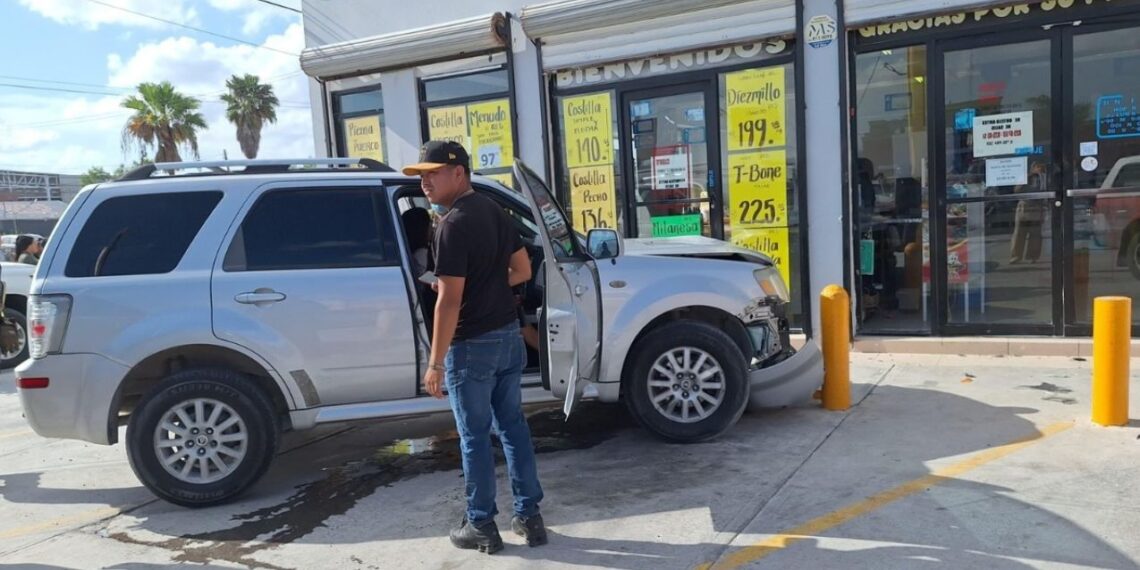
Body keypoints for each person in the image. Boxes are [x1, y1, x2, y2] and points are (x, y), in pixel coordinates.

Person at [402, 141, 547, 554]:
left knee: (475, 437)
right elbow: (521, 270)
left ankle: (481, 524)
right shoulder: (494, 211)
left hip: (471, 348)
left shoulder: (451, 225)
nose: (425, 181)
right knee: (514, 429)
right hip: (507, 339)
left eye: (433, 173)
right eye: (421, 175)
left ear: (459, 173)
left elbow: (448, 300)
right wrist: (484, 285)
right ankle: (530, 517)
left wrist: (435, 362)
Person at [401, 207, 433, 278]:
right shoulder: (421, 253)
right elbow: (426, 278)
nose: (433, 228)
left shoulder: (408, 250)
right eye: (430, 223)